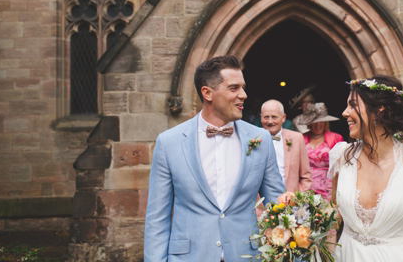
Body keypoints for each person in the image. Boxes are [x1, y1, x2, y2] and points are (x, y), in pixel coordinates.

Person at [144, 55, 285, 262]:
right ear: (207, 93)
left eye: (243, 87)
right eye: (234, 88)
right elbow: (157, 217)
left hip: (247, 256)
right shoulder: (169, 142)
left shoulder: (260, 139)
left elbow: (277, 206)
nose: (244, 95)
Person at [329, 75, 403, 262]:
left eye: (353, 105)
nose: (345, 112)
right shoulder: (341, 158)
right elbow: (332, 219)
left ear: (379, 110)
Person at [260, 99, 312, 192]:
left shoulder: (297, 138)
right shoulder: (253, 139)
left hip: (290, 201)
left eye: (274, 117)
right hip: (261, 203)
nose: (270, 121)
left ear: (283, 118)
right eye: (266, 117)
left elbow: (306, 176)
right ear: (261, 118)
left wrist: (297, 199)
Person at [295, 102, 344, 199]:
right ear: (309, 123)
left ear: (325, 122)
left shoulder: (336, 138)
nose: (318, 124)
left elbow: (341, 166)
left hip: (328, 188)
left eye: (321, 121)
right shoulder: (301, 138)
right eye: (314, 121)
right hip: (306, 187)